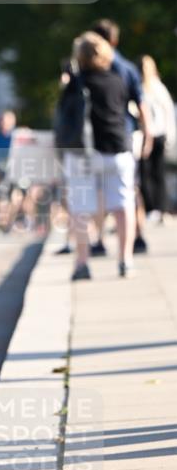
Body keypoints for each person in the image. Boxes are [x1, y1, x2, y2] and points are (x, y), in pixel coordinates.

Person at [62, 31, 145, 280]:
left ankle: (82, 262)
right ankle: (125, 259)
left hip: (83, 154)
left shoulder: (75, 83)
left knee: (80, 210)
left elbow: (65, 118)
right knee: (123, 206)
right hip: (117, 149)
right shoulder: (118, 79)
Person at [90, 19, 152, 254]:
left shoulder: (87, 70)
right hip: (125, 134)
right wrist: (148, 134)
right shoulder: (127, 68)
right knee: (130, 189)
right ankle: (137, 236)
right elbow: (141, 104)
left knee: (99, 191)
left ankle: (99, 240)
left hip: (97, 139)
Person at [138, 55, 175, 222]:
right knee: (144, 173)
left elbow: (168, 113)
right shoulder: (138, 87)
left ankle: (161, 208)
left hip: (158, 135)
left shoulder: (158, 87)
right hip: (143, 135)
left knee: (158, 173)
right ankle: (149, 208)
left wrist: (170, 135)